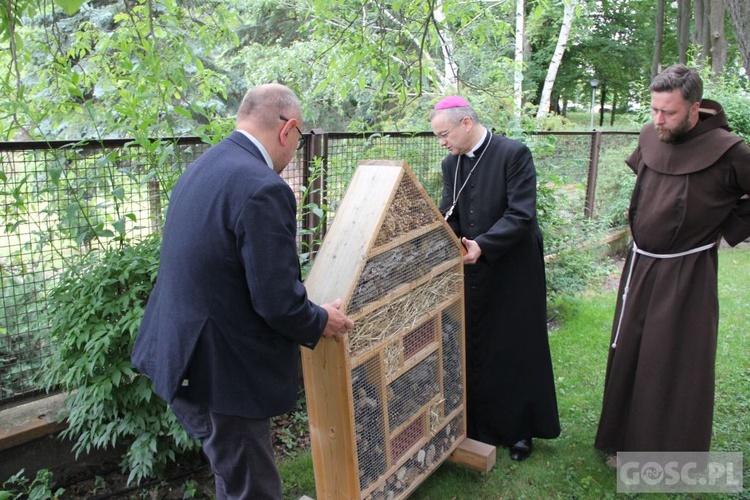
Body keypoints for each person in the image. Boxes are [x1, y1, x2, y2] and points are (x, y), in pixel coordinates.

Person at [131, 83, 355, 499]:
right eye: (300, 138)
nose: (295, 150)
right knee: (251, 485)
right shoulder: (263, 187)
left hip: (180, 355)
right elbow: (277, 301)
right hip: (223, 372)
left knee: (232, 472)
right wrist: (322, 320)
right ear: (287, 129)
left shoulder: (205, 165)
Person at [594, 65, 750, 462]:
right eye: (654, 110)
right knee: (630, 350)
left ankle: (665, 455)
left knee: (671, 357)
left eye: (669, 112)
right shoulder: (652, 135)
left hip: (687, 271)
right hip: (640, 264)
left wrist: (724, 228)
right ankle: (620, 439)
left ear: (695, 108)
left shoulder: (730, 150)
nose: (658, 120)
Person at [430, 95, 560, 461]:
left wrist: (483, 246)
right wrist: (444, 239)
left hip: (514, 266)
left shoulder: (513, 153)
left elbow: (521, 214)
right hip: (473, 269)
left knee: (516, 344)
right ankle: (478, 424)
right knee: (478, 342)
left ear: (466, 123)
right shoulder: (450, 163)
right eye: (439, 137)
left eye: (444, 134)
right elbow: (449, 211)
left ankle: (520, 431)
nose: (443, 143)